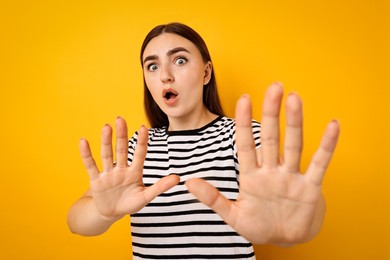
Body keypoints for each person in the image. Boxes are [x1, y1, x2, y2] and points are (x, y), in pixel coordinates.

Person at [67, 22, 340, 259]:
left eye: (180, 60)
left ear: (206, 72)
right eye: (152, 66)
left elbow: (301, 208)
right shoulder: (139, 147)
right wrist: (104, 213)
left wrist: (298, 218)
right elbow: (76, 220)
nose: (165, 76)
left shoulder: (241, 136)